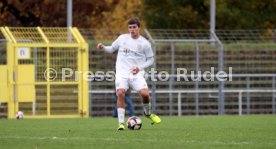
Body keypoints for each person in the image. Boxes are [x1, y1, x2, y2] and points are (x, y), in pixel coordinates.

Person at [96, 18, 161, 130]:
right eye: (130, 27)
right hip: (122, 73)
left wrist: (139, 68)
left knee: (145, 94)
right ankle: (121, 123)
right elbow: (111, 49)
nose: (132, 30)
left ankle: (148, 113)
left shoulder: (145, 43)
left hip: (136, 74)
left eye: (134, 27)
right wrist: (103, 47)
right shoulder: (122, 38)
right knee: (120, 93)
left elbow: (151, 60)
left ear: (138, 28)